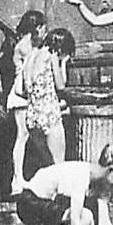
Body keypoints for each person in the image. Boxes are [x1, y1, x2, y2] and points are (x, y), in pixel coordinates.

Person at [6, 9, 47, 194]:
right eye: (44, 28)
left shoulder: (29, 44)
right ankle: (17, 179)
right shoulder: (25, 46)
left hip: (27, 93)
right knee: (22, 135)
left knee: (28, 135)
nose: (45, 32)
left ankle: (22, 177)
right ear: (37, 27)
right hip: (21, 95)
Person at [22, 27, 71, 166]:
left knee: (46, 164)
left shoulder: (31, 56)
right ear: (60, 49)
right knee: (58, 164)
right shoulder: (52, 56)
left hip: (32, 115)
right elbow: (61, 85)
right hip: (49, 114)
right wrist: (63, 64)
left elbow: (21, 90)